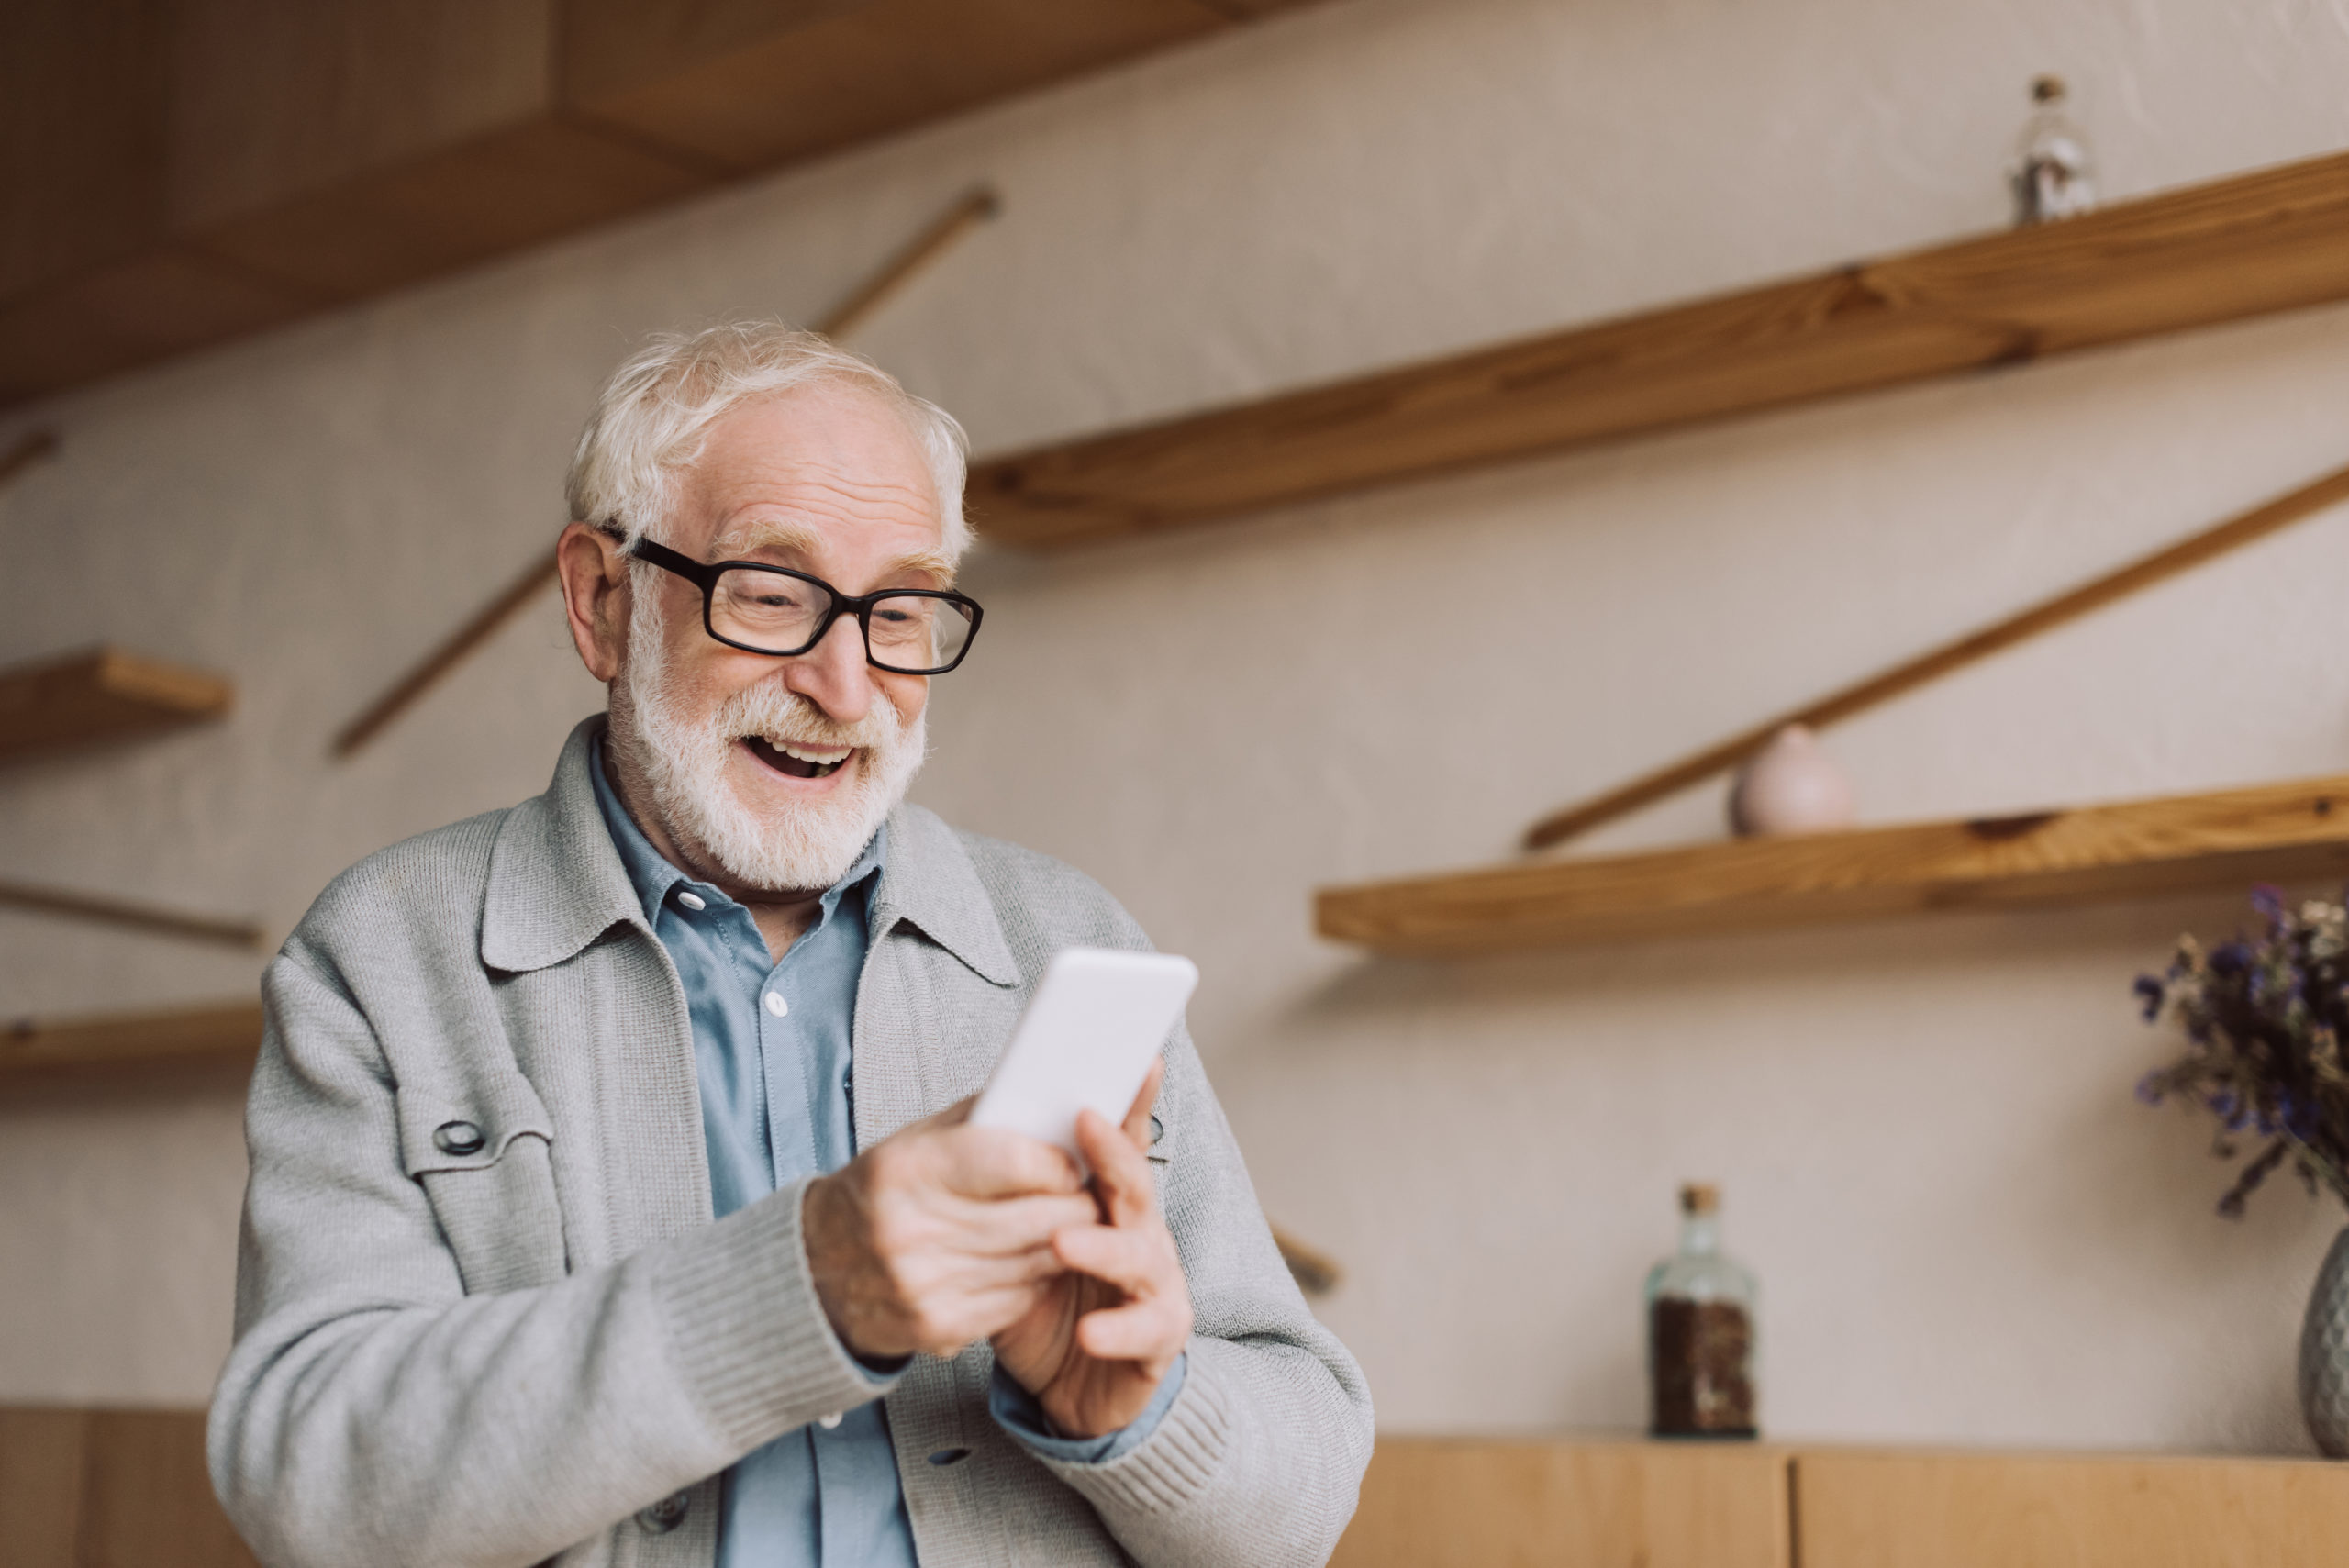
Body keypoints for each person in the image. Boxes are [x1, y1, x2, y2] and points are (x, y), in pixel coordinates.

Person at [207, 323, 1374, 1568]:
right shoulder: (383, 952)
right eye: (771, 594)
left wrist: (1137, 1409)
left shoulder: (1068, 937)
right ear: (602, 602)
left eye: (903, 608)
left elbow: (1301, 1508)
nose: (845, 680)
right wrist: (807, 1288)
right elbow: (306, 1481)